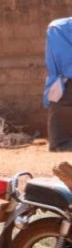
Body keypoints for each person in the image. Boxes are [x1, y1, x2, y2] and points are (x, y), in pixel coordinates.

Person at [45, 17, 72, 151]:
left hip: (63, 76)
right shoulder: (59, 27)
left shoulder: (57, 27)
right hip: (65, 76)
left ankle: (60, 143)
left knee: (60, 107)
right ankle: (60, 143)